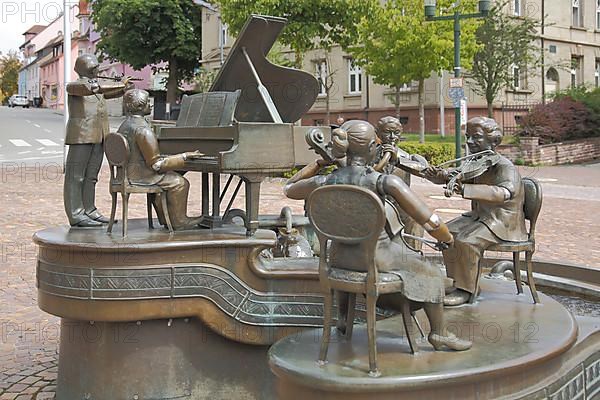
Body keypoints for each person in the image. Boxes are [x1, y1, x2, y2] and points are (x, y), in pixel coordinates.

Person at [285, 120, 471, 351]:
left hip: (339, 258)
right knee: (431, 272)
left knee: (401, 264)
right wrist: (447, 239)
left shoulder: (326, 181)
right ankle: (439, 333)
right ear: (373, 147)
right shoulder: (384, 181)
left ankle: (343, 320)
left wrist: (320, 163)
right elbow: (429, 220)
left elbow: (289, 188)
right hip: (376, 259)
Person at [424, 117, 528, 306]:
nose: (470, 142)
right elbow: (459, 175)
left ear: (494, 142)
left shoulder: (505, 167)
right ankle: (458, 281)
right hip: (481, 217)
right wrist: (440, 177)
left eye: (476, 138)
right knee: (445, 233)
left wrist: (466, 190)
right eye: (468, 137)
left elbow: (504, 193)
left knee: (467, 241)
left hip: (503, 222)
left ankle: (467, 290)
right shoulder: (477, 162)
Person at [117, 89, 203, 230]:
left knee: (170, 177)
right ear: (139, 107)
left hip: (127, 173)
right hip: (141, 176)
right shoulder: (143, 130)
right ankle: (179, 222)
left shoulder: (125, 125)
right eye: (147, 103)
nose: (150, 106)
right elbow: (156, 165)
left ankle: (166, 219)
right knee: (179, 182)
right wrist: (184, 156)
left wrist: (171, 158)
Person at [64, 54, 132, 227]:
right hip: (81, 136)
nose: (97, 70)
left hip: (99, 136)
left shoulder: (98, 88)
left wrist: (124, 87)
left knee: (91, 177)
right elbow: (91, 88)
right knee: (76, 177)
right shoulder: (75, 86)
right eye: (93, 67)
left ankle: (89, 210)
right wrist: (118, 83)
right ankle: (76, 214)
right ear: (83, 68)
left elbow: (111, 92)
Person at [374, 116, 428, 250]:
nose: (392, 137)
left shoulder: (408, 157)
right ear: (378, 133)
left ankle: (413, 257)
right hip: (375, 203)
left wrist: (398, 160)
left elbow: (424, 170)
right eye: (387, 132)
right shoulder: (370, 156)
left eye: (396, 133)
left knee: (416, 218)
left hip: (399, 205)